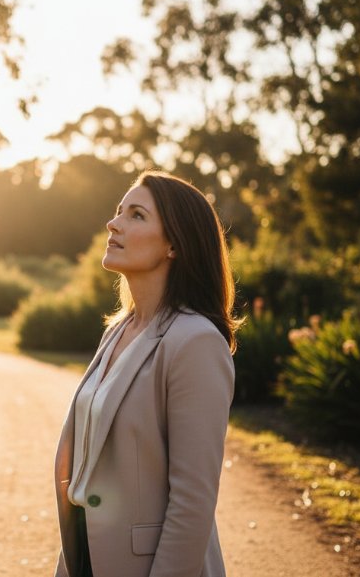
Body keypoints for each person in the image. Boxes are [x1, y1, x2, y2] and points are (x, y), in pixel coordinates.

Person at [53, 170, 238, 577]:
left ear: (174, 244)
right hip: (87, 557)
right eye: (119, 211)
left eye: (136, 215)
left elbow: (193, 501)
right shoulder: (119, 329)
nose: (113, 223)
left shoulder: (195, 342)